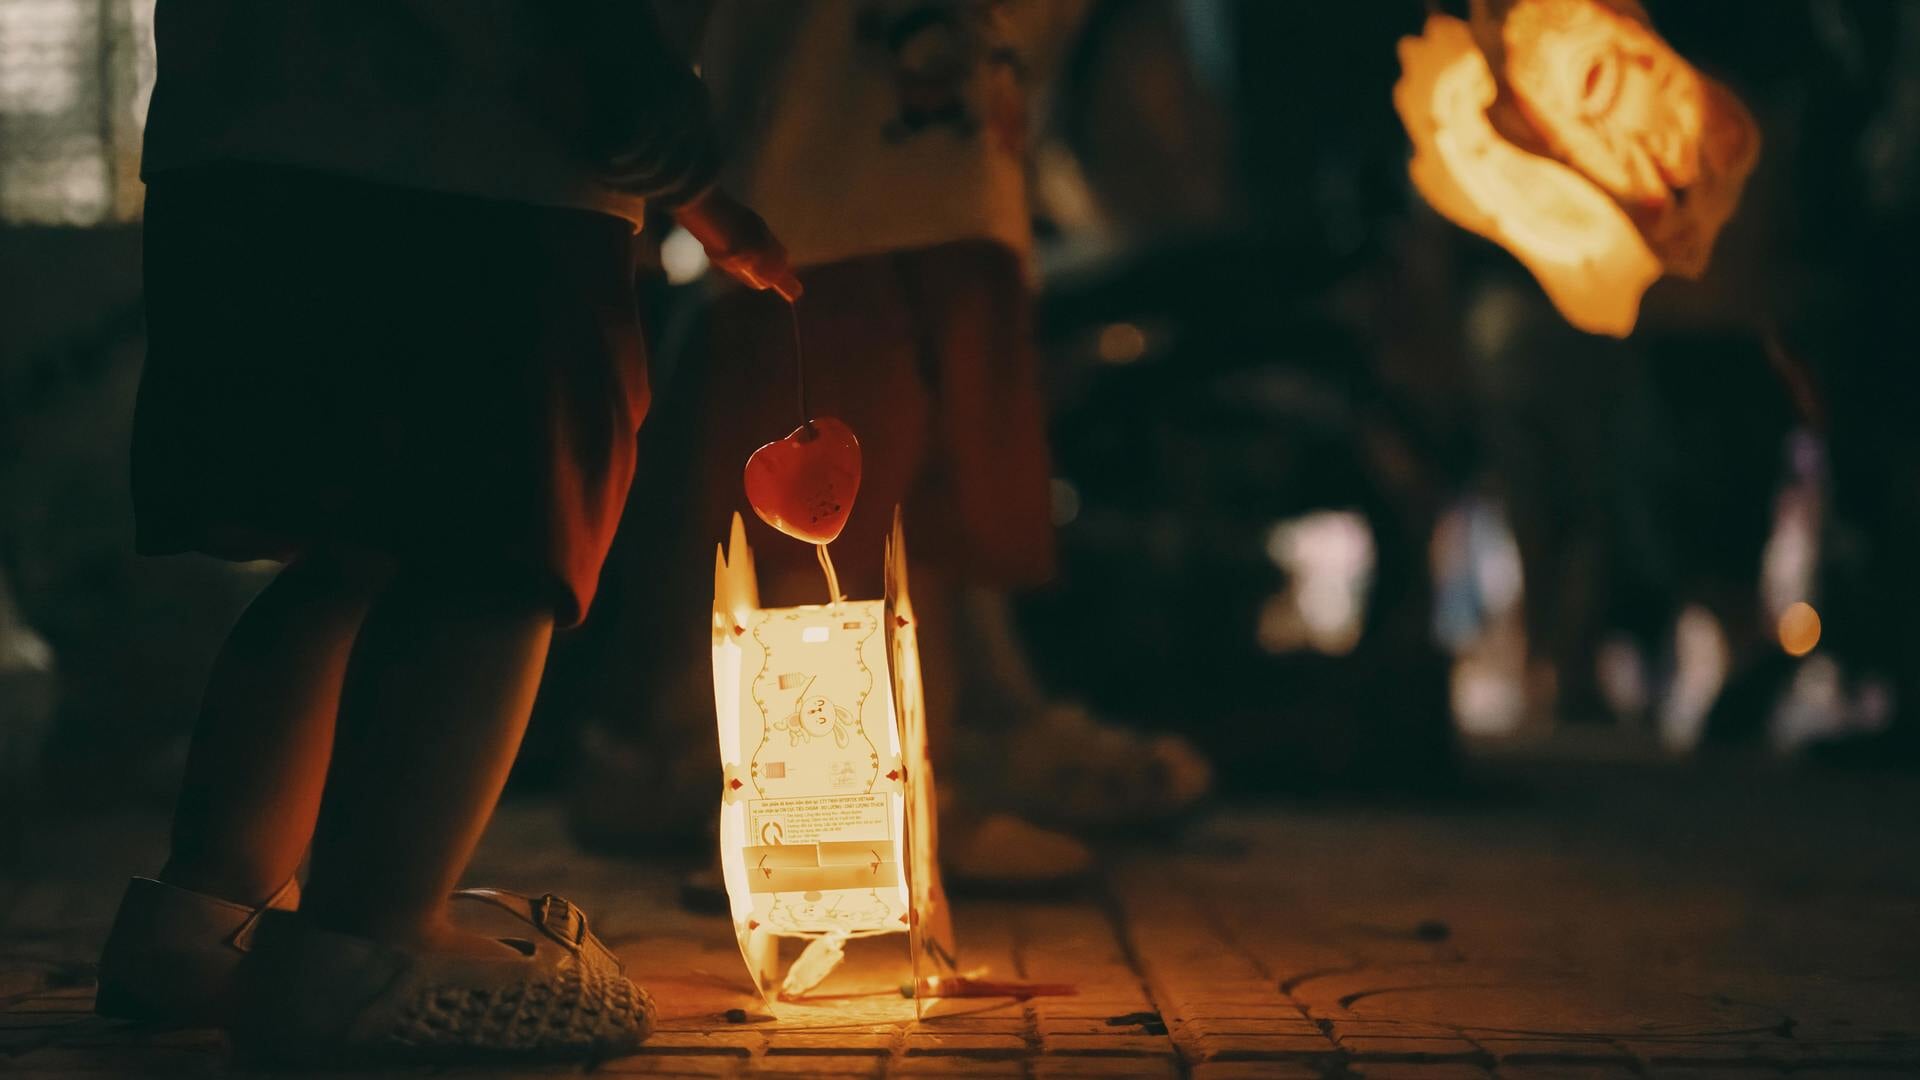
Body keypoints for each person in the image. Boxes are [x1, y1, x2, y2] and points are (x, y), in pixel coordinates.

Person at [93, 1, 796, 1064]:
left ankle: (203, 911)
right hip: (485, 156)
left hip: (240, 140)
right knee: (496, 542)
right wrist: (657, 121)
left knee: (354, 549)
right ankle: (376, 933)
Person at [568, 0, 1212, 885]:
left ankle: (924, 780)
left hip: (969, 189)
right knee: (818, 520)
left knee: (934, 514)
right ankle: (804, 809)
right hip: (811, 185)